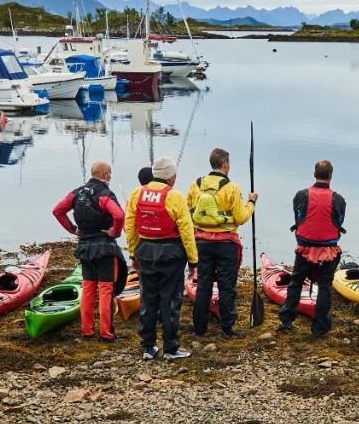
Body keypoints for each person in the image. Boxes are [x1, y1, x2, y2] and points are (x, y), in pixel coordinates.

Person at [124, 156, 198, 360]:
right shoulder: (175, 196)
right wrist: (193, 261)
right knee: (170, 301)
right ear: (171, 177)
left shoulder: (137, 193)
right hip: (171, 254)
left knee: (148, 299)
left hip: (145, 251)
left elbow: (129, 226)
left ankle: (148, 347)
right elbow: (186, 231)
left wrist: (133, 253)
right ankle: (171, 348)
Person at [186, 147, 258, 338]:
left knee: (203, 286)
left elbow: (188, 210)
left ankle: (199, 328)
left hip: (201, 242)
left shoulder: (196, 185)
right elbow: (241, 217)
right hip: (226, 244)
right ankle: (227, 328)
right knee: (227, 286)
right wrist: (251, 203)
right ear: (225, 164)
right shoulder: (232, 188)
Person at [53, 160, 128, 341]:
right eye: (109, 173)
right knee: (105, 290)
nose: (110, 176)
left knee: (87, 289)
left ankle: (86, 331)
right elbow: (119, 215)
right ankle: (107, 333)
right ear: (104, 175)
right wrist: (115, 232)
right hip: (104, 248)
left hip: (85, 248)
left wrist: (73, 229)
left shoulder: (77, 193)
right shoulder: (104, 195)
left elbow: (57, 211)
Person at [278, 160, 346, 337]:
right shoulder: (338, 199)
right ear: (330, 175)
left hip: (305, 249)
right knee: (324, 286)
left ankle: (286, 319)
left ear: (315, 174)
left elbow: (299, 218)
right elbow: (339, 221)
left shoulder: (301, 195)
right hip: (328, 251)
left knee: (296, 282)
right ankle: (320, 327)